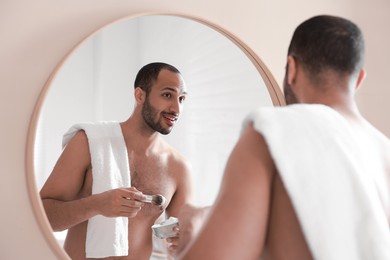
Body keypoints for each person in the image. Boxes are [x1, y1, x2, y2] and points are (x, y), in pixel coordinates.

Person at [175, 15, 390, 259]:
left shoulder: (273, 130)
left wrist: (191, 236)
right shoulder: (384, 152)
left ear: (292, 68)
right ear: (359, 78)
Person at [40, 62, 193, 260]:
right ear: (140, 95)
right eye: (167, 95)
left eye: (182, 99)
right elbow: (42, 216)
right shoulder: (88, 142)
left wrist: (183, 239)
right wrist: (96, 204)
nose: (176, 108)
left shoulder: (178, 167)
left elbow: (184, 238)